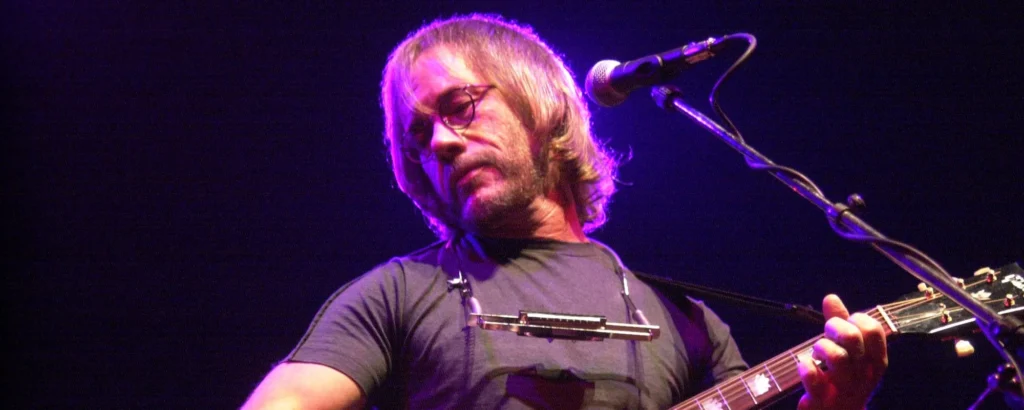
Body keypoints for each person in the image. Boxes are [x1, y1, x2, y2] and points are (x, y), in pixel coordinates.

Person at [242, 14, 887, 410]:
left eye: (460, 107)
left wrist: (837, 407)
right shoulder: (395, 294)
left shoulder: (686, 322)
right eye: (418, 135)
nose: (439, 142)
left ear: (542, 102)